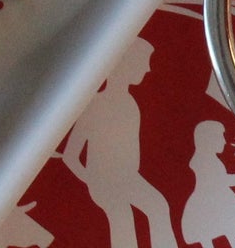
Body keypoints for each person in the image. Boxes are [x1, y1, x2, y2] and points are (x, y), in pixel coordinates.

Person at [60, 37, 179, 248]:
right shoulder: (94, 103)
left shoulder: (130, 104)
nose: (148, 68)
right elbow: (71, 156)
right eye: (143, 62)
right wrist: (93, 180)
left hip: (129, 178)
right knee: (123, 217)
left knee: (158, 205)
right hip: (104, 182)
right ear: (126, 63)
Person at [180, 120, 235, 248]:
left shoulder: (206, 159)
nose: (224, 141)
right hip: (213, 201)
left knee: (214, 232)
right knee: (221, 229)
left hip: (209, 200)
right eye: (221, 136)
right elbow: (223, 180)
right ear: (208, 139)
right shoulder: (208, 161)